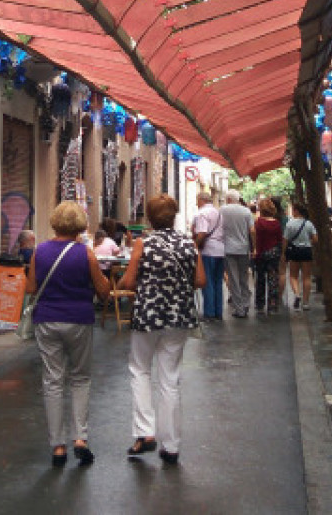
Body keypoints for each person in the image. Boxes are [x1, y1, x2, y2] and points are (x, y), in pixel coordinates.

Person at [118, 193, 205, 465]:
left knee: (140, 370)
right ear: (174, 216)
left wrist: (145, 283)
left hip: (147, 315)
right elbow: (200, 280)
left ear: (150, 217)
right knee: (170, 379)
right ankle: (171, 445)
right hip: (179, 316)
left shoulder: (143, 243)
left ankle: (145, 432)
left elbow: (129, 282)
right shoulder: (189, 243)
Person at [25, 202, 111, 467]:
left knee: (53, 380)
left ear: (55, 223)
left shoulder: (39, 251)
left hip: (47, 319)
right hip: (78, 319)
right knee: (80, 377)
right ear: (80, 226)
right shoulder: (86, 253)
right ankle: (80, 439)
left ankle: (58, 446)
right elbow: (103, 290)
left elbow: (30, 288)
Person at [219, 190, 255, 318]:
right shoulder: (246, 211)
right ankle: (245, 304)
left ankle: (239, 308)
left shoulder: (222, 210)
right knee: (243, 278)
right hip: (243, 248)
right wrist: (254, 247)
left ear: (229, 199)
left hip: (228, 249)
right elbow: (252, 230)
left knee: (233, 279)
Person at [191, 191, 224, 320]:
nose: (196, 204)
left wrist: (195, 246)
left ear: (201, 200)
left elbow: (202, 233)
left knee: (208, 282)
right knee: (218, 282)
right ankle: (218, 312)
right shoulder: (218, 213)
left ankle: (209, 313)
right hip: (221, 250)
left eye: (197, 201)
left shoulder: (202, 213)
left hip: (208, 250)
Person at [251, 197, 284, 314]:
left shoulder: (258, 222)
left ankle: (260, 304)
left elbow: (256, 238)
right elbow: (279, 239)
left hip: (261, 253)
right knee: (273, 279)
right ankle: (272, 305)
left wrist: (255, 249)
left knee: (260, 279)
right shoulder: (276, 223)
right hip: (273, 254)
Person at [285, 199, 319, 310]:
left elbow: (285, 239)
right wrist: (308, 242)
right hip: (306, 251)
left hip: (294, 251)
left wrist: (283, 252)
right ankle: (305, 303)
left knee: (293, 276)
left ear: (296, 211)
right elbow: (315, 239)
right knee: (306, 277)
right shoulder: (308, 223)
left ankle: (297, 294)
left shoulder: (290, 224)